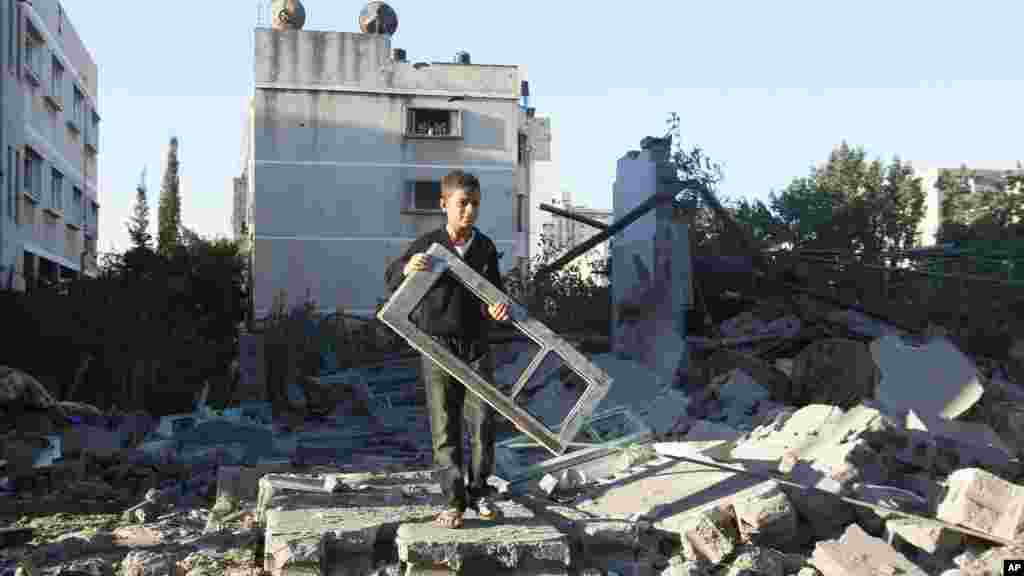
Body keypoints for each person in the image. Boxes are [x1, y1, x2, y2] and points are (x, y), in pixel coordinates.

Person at [385, 170, 511, 529]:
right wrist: (408, 267)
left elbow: (495, 293)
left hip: (476, 345)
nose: (469, 211)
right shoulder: (428, 244)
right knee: (445, 425)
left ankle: (479, 491)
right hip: (437, 345)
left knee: (484, 422)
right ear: (444, 205)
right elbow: (392, 276)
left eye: (475, 204)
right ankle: (453, 501)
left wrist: (498, 308)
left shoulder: (484, 247)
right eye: (462, 204)